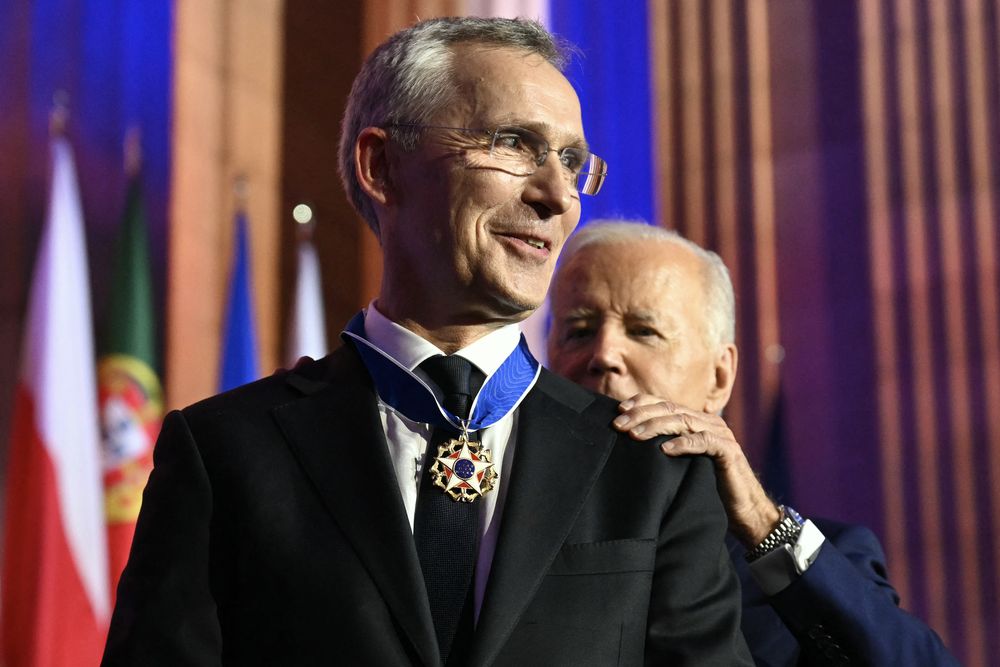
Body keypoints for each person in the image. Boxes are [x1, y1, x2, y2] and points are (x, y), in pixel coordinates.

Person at [102, 19, 752, 666]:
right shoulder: (225, 455)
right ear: (381, 165)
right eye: (515, 143)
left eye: (572, 161)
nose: (557, 195)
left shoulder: (652, 471)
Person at [547, 220, 961, 666]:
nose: (604, 354)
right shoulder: (498, 528)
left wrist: (766, 528)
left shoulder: (807, 561)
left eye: (644, 331)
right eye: (580, 329)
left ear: (719, 376)